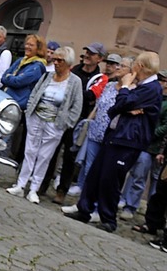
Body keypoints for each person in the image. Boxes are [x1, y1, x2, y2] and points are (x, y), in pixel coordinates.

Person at [65, 51, 163, 233]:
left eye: (134, 64)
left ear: (140, 66)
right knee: (96, 174)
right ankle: (84, 209)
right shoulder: (142, 86)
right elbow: (117, 107)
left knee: (111, 178)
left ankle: (108, 218)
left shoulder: (151, 88)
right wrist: (127, 105)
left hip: (128, 140)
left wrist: (125, 88)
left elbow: (123, 103)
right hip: (116, 136)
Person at [5, 46, 83, 204]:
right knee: (30, 151)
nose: (56, 63)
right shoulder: (48, 76)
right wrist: (29, 112)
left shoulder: (75, 81)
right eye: (54, 59)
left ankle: (34, 189)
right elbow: (35, 93)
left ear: (68, 63)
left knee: (44, 156)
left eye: (59, 60)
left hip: (56, 123)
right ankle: (20, 185)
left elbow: (77, 106)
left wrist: (66, 123)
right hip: (36, 117)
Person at [61, 56, 133, 208]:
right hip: (95, 132)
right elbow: (97, 107)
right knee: (89, 169)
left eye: (123, 66)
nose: (118, 68)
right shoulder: (109, 85)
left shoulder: (132, 91)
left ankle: (95, 204)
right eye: (118, 65)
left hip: (111, 137)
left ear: (131, 72)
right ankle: (84, 202)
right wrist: (87, 123)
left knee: (104, 173)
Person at [40, 42, 108, 199]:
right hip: (60, 116)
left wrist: (74, 93)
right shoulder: (74, 69)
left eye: (92, 53)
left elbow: (91, 96)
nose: (88, 56)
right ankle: (42, 185)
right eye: (87, 52)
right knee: (50, 151)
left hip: (79, 121)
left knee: (70, 157)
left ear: (99, 58)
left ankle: (62, 191)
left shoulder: (100, 78)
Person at [118, 69, 167, 220]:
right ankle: (127, 202)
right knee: (135, 173)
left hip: (154, 145)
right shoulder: (153, 95)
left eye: (163, 80)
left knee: (151, 179)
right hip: (142, 141)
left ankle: (141, 209)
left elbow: (165, 126)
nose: (160, 82)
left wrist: (151, 133)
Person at [1, 34, 47, 164]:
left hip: (18, 105)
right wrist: (11, 78)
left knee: (6, 137)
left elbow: (18, 81)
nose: (27, 47)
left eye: (31, 45)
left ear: (38, 48)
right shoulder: (21, 60)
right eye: (26, 44)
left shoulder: (37, 67)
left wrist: (10, 78)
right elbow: (3, 77)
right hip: (8, 101)